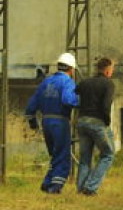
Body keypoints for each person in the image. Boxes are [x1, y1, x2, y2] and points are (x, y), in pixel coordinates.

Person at [24, 52, 80, 194]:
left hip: (46, 121)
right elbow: (68, 99)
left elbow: (31, 104)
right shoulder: (67, 82)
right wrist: (80, 101)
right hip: (60, 121)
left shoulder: (46, 82)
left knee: (54, 155)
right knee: (62, 155)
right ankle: (55, 187)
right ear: (71, 69)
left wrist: (32, 121)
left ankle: (47, 182)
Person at [75, 56, 116, 196]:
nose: (112, 72)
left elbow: (76, 93)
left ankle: (80, 188)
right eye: (112, 69)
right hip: (97, 122)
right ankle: (90, 187)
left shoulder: (85, 82)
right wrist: (106, 121)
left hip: (81, 122)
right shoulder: (108, 84)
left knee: (85, 157)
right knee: (108, 154)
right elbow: (106, 105)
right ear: (107, 71)